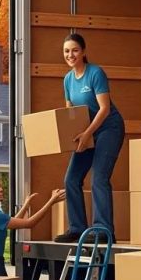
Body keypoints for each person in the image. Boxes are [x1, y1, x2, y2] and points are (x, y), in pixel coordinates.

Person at [54, 33, 126, 244]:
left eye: (75, 50)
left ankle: (103, 230)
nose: (70, 55)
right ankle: (77, 229)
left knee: (99, 178)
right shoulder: (68, 79)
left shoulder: (95, 73)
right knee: (71, 179)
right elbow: (71, 113)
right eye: (67, 51)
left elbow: (104, 109)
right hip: (87, 131)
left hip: (108, 128)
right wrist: (72, 138)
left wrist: (87, 134)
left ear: (83, 51)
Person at [0, 175, 65, 276]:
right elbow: (30, 223)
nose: (0, 189)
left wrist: (25, 205)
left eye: (0, 186)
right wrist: (51, 201)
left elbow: (14, 222)